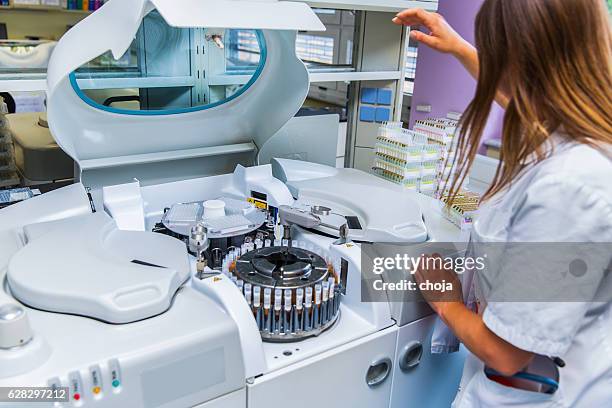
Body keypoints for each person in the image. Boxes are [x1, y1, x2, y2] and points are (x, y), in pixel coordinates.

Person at [393, 1, 611, 407]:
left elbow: (507, 353)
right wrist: (458, 47)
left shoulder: (569, 187)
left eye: (494, 52)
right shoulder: (586, 125)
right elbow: (521, 99)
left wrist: (445, 298)